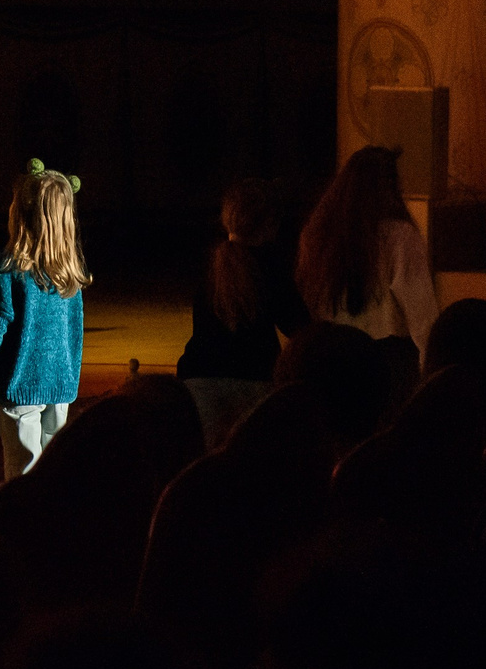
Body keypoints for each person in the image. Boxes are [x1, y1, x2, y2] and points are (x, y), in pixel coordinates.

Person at [0, 163, 91, 478]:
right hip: (60, 388)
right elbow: (74, 338)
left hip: (18, 387)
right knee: (54, 473)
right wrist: (69, 384)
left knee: (22, 474)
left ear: (20, 214)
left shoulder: (6, 269)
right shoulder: (70, 276)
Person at [175, 178, 311, 446]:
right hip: (254, 378)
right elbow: (298, 325)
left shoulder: (210, 263)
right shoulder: (270, 266)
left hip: (200, 378)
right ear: (270, 225)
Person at [296, 145, 438, 344]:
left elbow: (309, 301)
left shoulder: (319, 234)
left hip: (332, 349)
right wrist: (431, 363)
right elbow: (421, 311)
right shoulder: (400, 235)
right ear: (389, 186)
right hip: (387, 353)